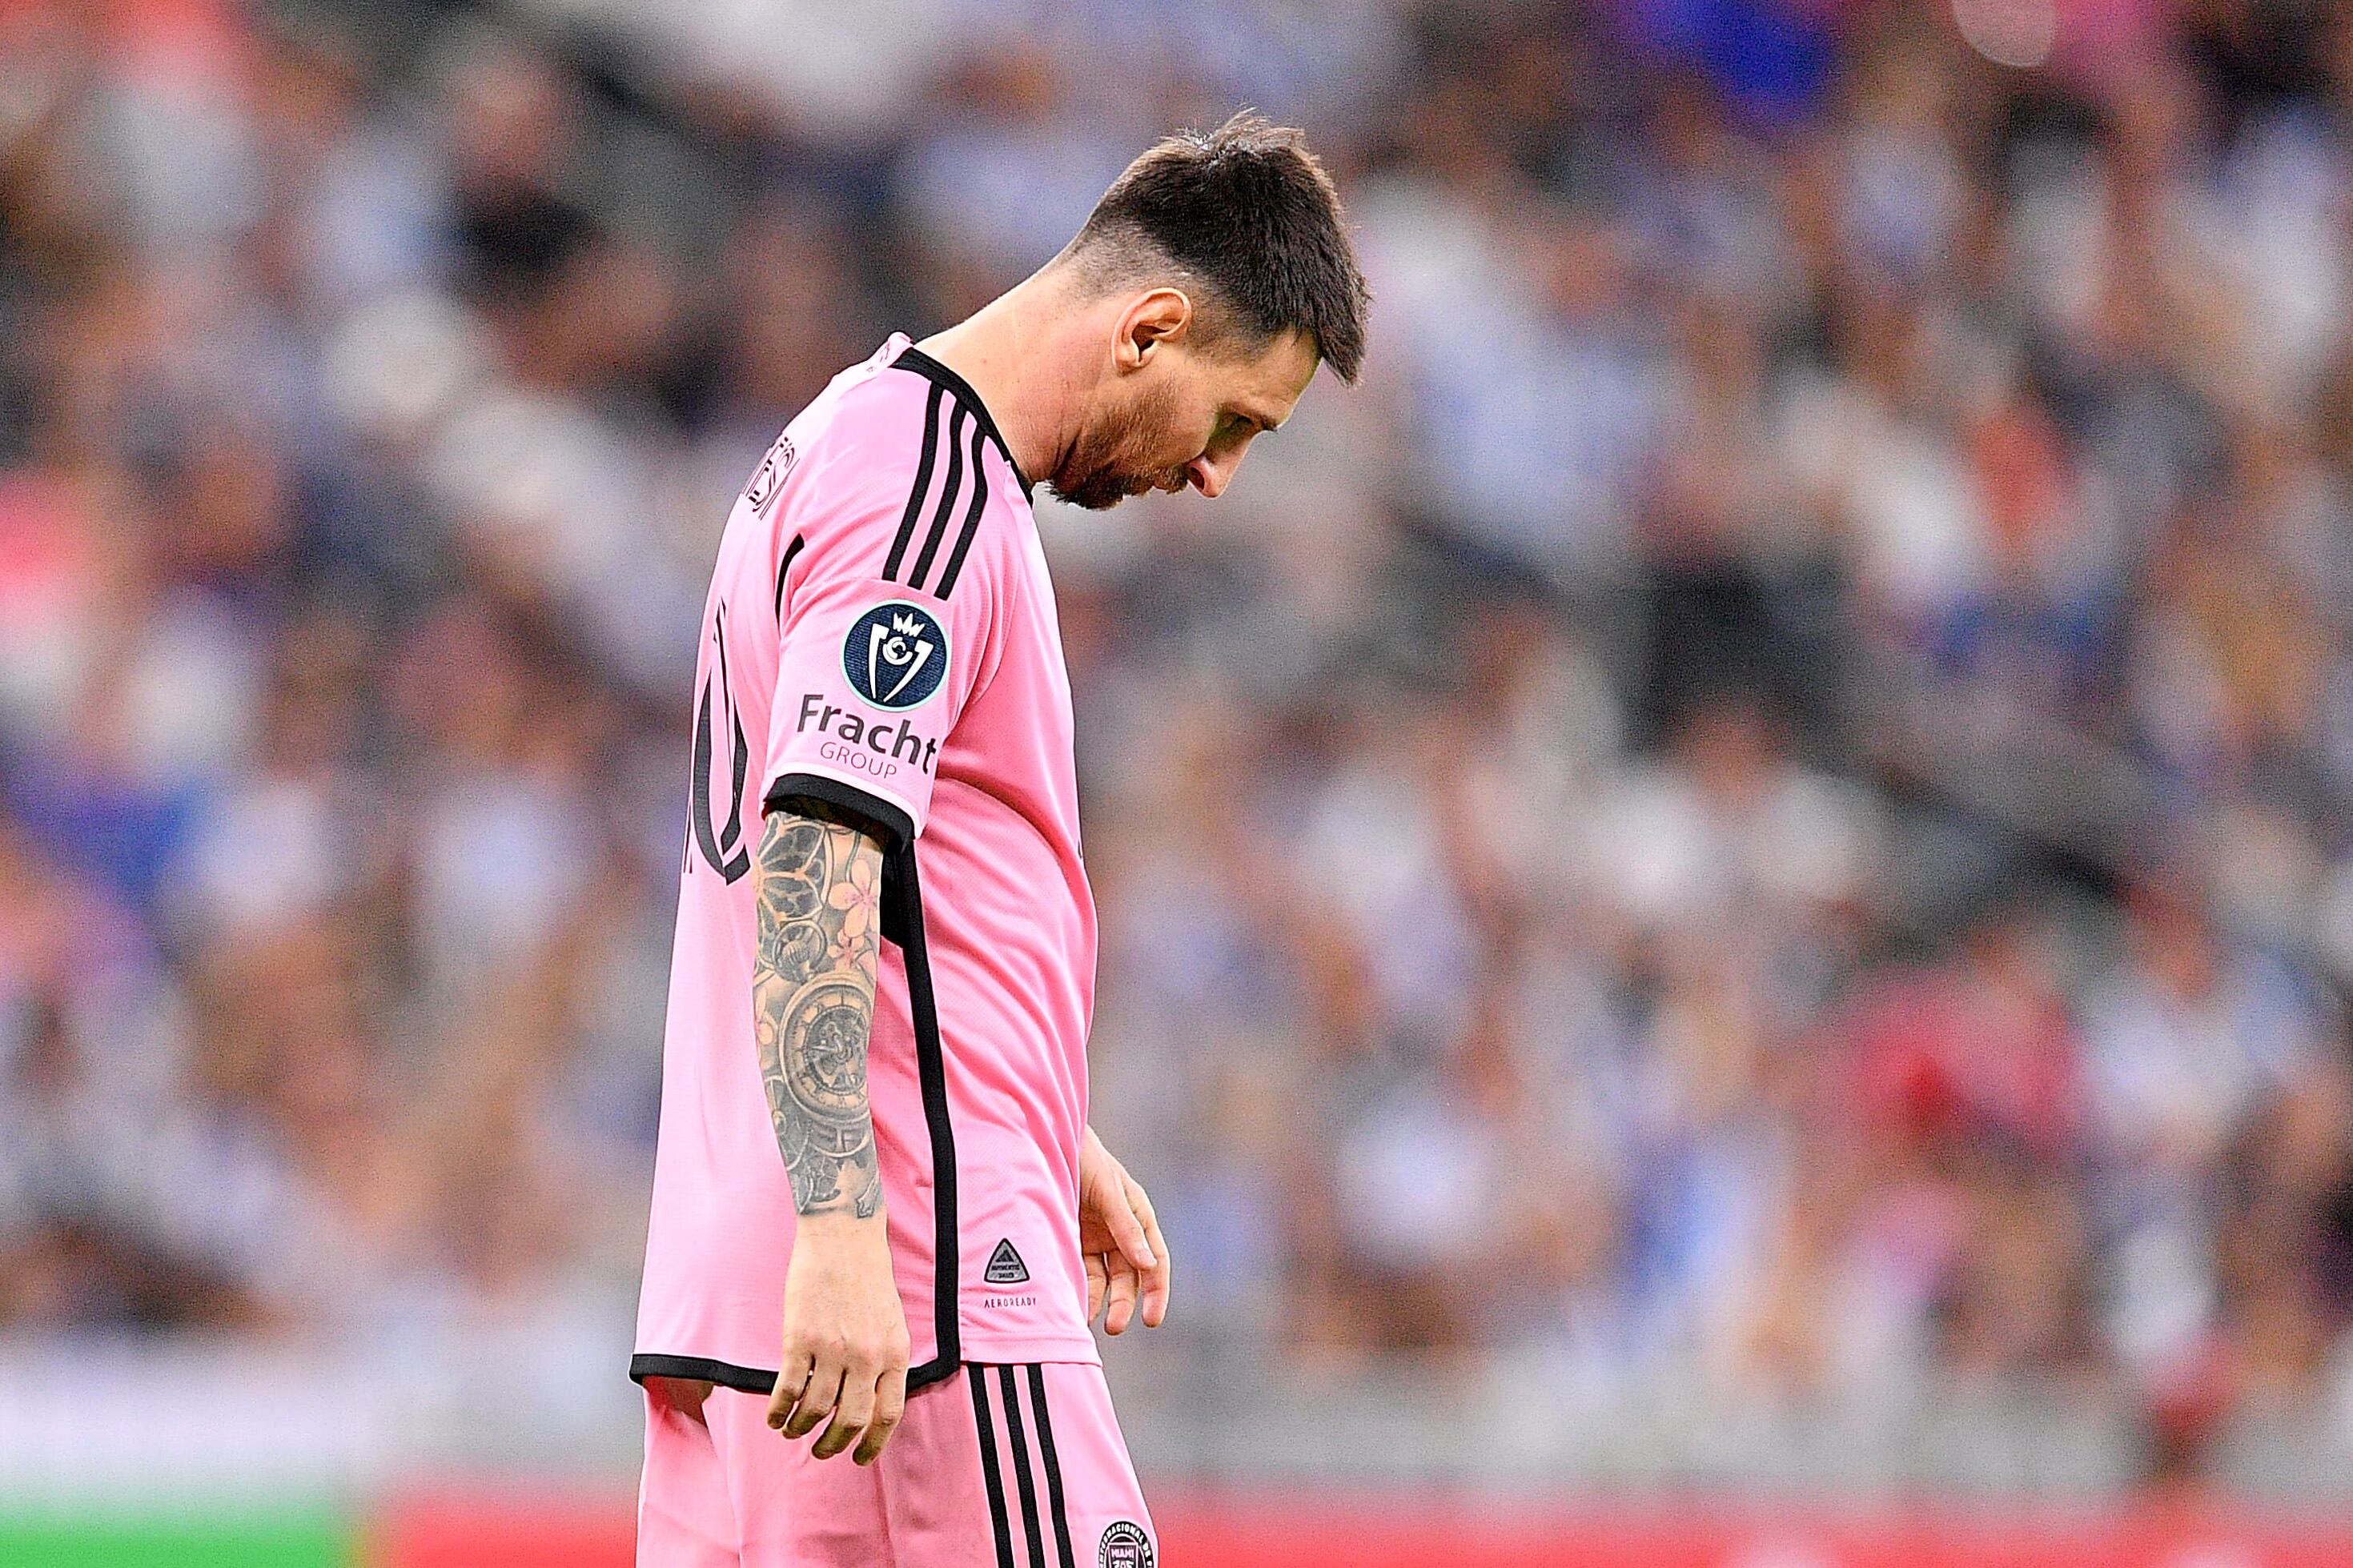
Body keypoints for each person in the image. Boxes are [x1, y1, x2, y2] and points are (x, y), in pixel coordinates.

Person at [632, 111, 1370, 1568]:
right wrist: (848, 1224)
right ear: (1152, 329)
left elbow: (893, 870)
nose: (1218, 474)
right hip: (917, 1298)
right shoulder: (927, 498)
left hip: (755, 1293)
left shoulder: (846, 438)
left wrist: (1033, 1110)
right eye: (1234, 422)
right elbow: (816, 857)